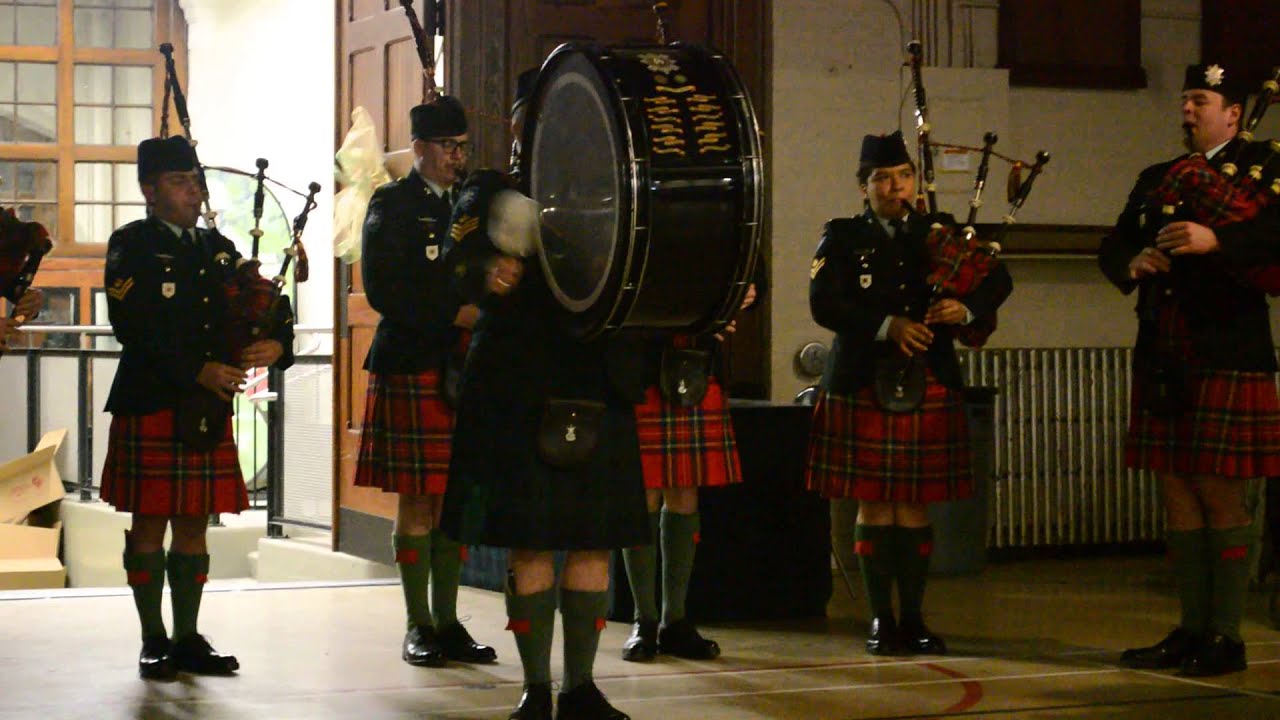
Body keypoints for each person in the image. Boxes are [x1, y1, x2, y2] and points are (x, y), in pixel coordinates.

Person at [440, 167, 647, 720]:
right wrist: (488, 268)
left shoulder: (617, 182)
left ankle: (579, 688)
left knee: (592, 542)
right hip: (516, 385)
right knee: (528, 543)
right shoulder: (486, 193)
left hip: (599, 377)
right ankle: (536, 687)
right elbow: (452, 268)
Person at [1102, 63, 1280, 677]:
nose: (1187, 110)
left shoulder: (1269, 171)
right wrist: (1135, 261)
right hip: (1163, 345)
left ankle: (1226, 637)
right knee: (1176, 492)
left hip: (1228, 346)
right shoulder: (1159, 177)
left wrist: (1217, 242)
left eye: (1199, 100)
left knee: (1218, 490)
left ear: (1233, 112)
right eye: (1184, 100)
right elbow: (1114, 243)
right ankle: (1191, 629)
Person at [806, 130, 1011, 656]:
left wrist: (964, 310)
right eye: (881, 179)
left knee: (914, 505)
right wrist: (885, 325)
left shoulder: (939, 233)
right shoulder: (843, 236)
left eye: (902, 176)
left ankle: (915, 618)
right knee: (875, 505)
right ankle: (880, 619)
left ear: (914, 181)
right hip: (861, 379)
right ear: (863, 187)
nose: (893, 187)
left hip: (928, 380)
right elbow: (824, 304)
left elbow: (997, 281)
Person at [100, 136, 294, 679]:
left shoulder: (217, 247)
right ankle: (152, 638)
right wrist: (197, 370)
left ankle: (187, 637)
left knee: (193, 524)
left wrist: (279, 343)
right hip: (153, 399)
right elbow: (132, 326)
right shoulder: (130, 245)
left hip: (205, 408)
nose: (193, 190)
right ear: (149, 190)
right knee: (148, 523)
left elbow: (267, 303)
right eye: (180, 181)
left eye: (195, 180)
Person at [354, 94, 494, 667]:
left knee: (453, 500)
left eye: (462, 147)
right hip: (413, 361)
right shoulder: (392, 204)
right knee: (418, 501)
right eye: (446, 147)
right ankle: (418, 625)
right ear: (418, 148)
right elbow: (385, 289)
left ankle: (448, 620)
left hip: (467, 366)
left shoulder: (473, 203)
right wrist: (450, 313)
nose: (456, 158)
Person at [620, 274, 762, 663]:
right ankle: (643, 620)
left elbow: (753, 271)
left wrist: (744, 292)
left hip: (698, 362)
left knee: (684, 492)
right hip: (642, 360)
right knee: (645, 492)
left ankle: (675, 620)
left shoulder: (722, 214)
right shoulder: (642, 216)